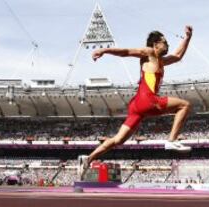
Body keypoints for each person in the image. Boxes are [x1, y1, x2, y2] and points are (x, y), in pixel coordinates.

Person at [78, 26, 193, 179]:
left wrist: (187, 38)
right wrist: (104, 51)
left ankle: (88, 159)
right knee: (185, 105)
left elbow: (178, 55)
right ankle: (171, 140)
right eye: (165, 42)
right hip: (148, 100)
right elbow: (126, 52)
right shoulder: (149, 53)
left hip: (137, 105)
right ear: (155, 44)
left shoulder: (161, 61)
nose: (168, 45)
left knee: (118, 140)